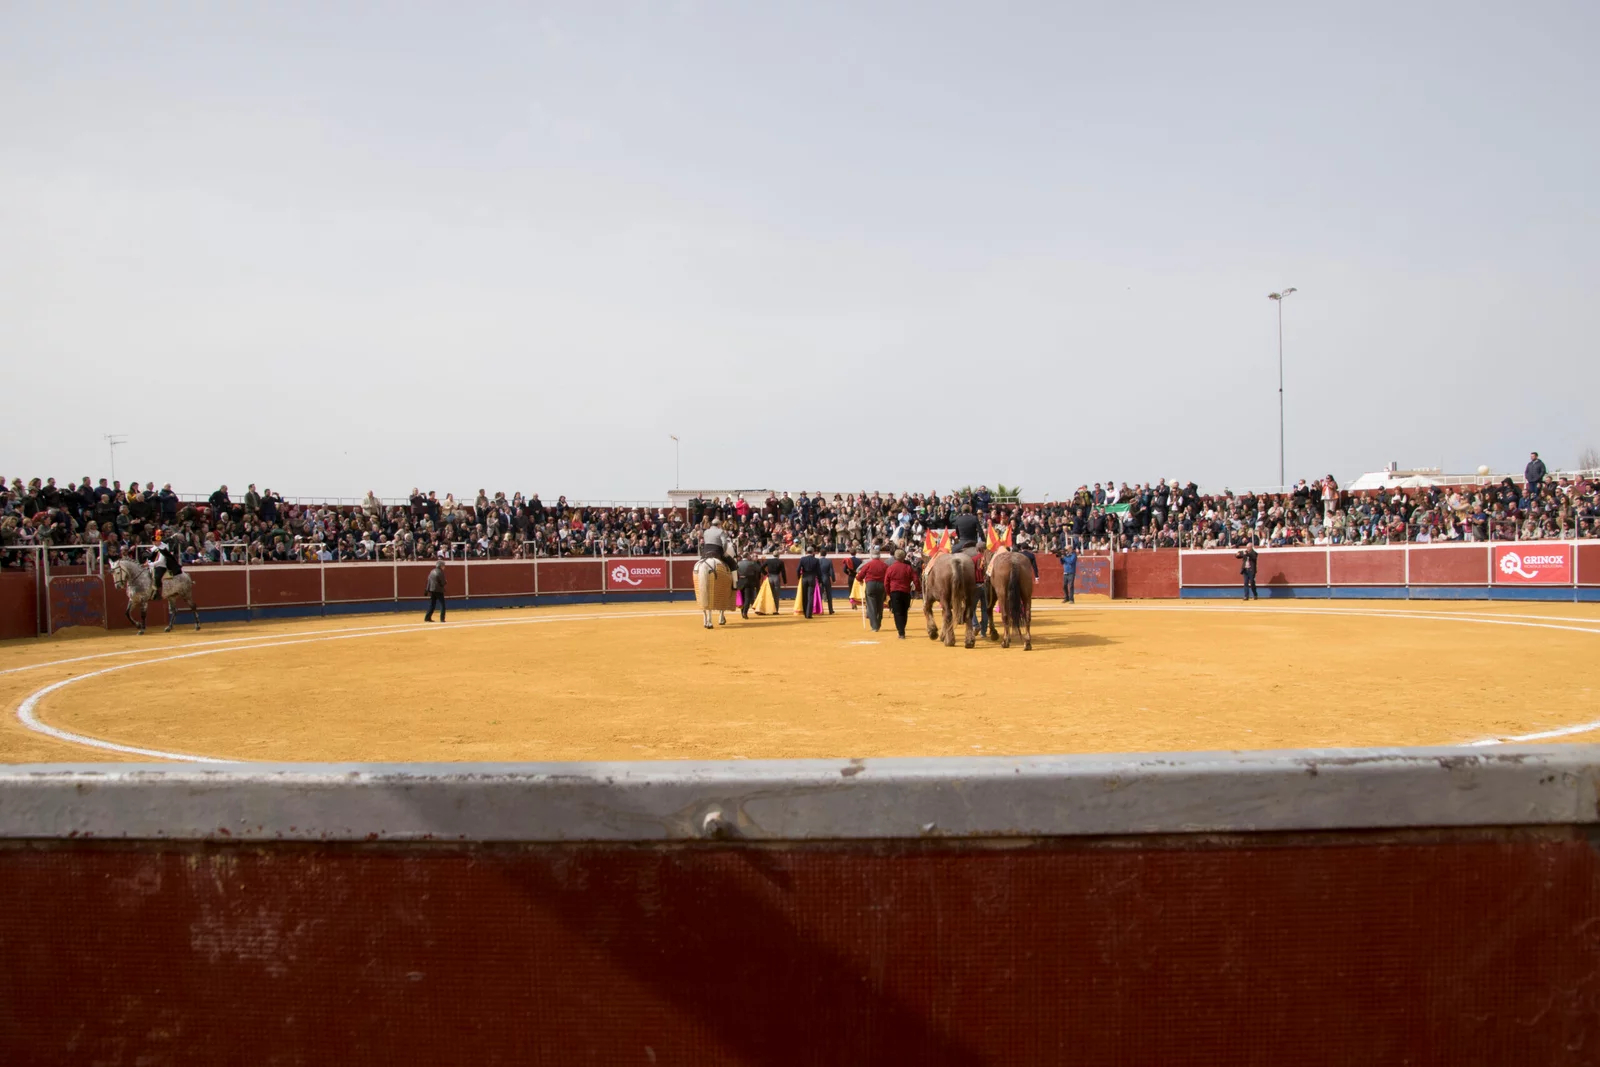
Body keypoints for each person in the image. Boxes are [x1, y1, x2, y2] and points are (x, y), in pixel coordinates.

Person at [883, 548, 917, 639]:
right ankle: (902, 628)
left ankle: (901, 631)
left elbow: (886, 582)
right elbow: (915, 579)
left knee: (897, 612)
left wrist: (888, 592)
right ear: (903, 557)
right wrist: (918, 589)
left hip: (894, 592)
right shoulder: (908, 567)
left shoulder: (890, 568)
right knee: (904, 611)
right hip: (905, 592)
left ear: (895, 557)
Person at [857, 548, 888, 632]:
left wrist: (859, 580)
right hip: (881, 585)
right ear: (879, 556)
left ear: (872, 556)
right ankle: (878, 622)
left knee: (871, 606)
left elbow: (860, 576)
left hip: (870, 585)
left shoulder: (868, 564)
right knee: (879, 604)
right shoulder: (884, 565)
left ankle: (874, 626)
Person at [796, 546, 823, 619]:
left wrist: (799, 577)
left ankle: (805, 613)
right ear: (813, 552)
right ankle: (809, 614)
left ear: (806, 551)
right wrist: (820, 581)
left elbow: (798, 570)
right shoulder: (816, 560)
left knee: (804, 596)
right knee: (810, 596)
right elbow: (819, 572)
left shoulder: (802, 559)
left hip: (804, 578)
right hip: (812, 578)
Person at [735, 552, 763, 619]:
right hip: (748, 582)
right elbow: (759, 569)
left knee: (742, 598)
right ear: (747, 556)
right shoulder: (751, 563)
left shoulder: (738, 563)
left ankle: (742, 613)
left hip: (740, 582)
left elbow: (735, 572)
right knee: (747, 598)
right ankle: (745, 612)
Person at [816, 549, 834, 614]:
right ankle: (830, 610)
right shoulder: (829, 561)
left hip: (819, 579)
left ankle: (820, 610)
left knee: (819, 595)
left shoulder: (817, 561)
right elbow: (831, 571)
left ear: (820, 554)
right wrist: (833, 579)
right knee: (829, 594)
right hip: (826, 579)